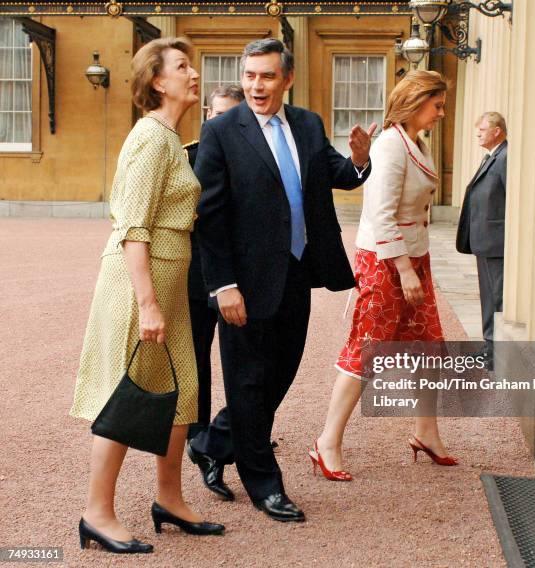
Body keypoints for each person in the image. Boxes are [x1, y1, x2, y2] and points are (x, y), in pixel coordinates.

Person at [192, 38, 375, 522]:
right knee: (249, 382)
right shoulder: (222, 132)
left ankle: (213, 443)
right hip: (244, 283)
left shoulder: (308, 124)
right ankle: (265, 484)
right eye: (250, 75)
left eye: (267, 76)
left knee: (280, 375)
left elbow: (338, 173)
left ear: (286, 79)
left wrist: (360, 159)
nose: (256, 85)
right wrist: (222, 285)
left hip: (297, 272)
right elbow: (208, 218)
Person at [70, 37, 224, 554]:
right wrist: (147, 301)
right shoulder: (150, 138)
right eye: (183, 66)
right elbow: (133, 226)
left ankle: (170, 499)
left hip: (168, 280)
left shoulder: (169, 138)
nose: (193, 73)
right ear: (158, 81)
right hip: (140, 280)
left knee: (182, 395)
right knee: (127, 391)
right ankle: (96, 512)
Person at [312, 70, 457, 482]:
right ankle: (327, 442)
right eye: (437, 105)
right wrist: (406, 270)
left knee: (430, 348)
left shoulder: (417, 143)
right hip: (386, 262)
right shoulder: (392, 145)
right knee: (366, 350)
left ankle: (426, 432)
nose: (442, 113)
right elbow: (380, 214)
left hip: (414, 259)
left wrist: (416, 266)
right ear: (413, 102)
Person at [183, 85, 244, 502]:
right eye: (218, 115)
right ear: (208, 114)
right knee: (196, 358)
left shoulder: (250, 155)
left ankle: (238, 430)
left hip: (237, 275)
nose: (223, 125)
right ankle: (199, 439)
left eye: (232, 117)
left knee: (242, 358)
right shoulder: (185, 154)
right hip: (193, 275)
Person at [456, 112, 508, 365]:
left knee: (497, 297)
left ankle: (497, 351)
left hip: (497, 241)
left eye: (482, 129)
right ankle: (490, 346)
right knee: (488, 296)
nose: (478, 133)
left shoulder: (505, 156)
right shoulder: (493, 156)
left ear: (497, 131)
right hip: (485, 240)